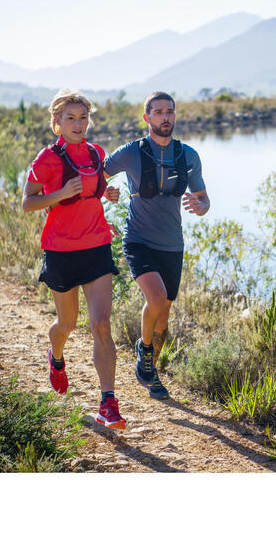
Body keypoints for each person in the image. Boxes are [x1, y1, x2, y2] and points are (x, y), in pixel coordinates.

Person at [21, 88, 126, 429]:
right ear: (57, 123)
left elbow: (94, 189)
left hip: (96, 244)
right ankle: (56, 356)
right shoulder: (47, 159)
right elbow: (28, 203)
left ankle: (108, 403)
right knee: (67, 325)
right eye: (71, 118)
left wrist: (106, 193)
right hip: (62, 249)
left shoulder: (96, 153)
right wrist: (60, 193)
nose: (78, 124)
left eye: (83, 117)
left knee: (101, 325)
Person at [104, 91, 210, 400]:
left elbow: (204, 198)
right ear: (147, 117)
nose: (166, 117)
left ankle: (152, 371)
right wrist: (106, 193)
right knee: (157, 296)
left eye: (170, 112)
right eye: (159, 112)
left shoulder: (187, 155)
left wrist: (201, 206)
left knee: (163, 318)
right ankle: (144, 352)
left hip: (172, 245)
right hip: (138, 240)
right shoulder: (131, 152)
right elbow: (97, 175)